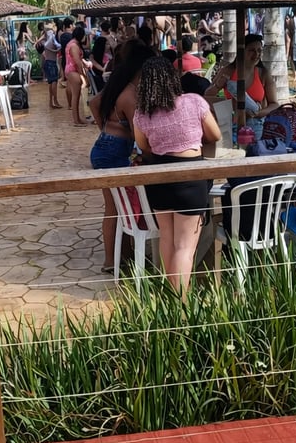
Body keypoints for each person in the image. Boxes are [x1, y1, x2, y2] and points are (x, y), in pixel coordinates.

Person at [133, 56, 222, 292]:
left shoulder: (142, 114)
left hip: (159, 176)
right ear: (173, 79)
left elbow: (144, 146)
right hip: (190, 178)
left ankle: (170, 296)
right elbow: (215, 135)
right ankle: (180, 302)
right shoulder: (194, 101)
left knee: (167, 238)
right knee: (185, 247)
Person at [89, 40, 156, 272]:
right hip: (112, 152)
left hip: (106, 147)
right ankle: (111, 261)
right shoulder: (130, 95)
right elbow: (141, 137)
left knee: (119, 207)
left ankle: (122, 255)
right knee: (114, 208)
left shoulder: (120, 85)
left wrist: (106, 128)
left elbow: (94, 102)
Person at [206, 33, 280, 140]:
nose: (256, 54)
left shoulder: (263, 73)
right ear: (242, 51)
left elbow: (274, 104)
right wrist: (218, 86)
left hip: (256, 123)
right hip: (231, 123)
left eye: (259, 50)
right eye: (252, 50)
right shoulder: (228, 70)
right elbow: (207, 95)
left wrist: (257, 113)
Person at [65, 26, 88, 126]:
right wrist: (83, 75)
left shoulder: (72, 44)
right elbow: (77, 62)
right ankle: (76, 120)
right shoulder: (74, 46)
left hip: (71, 71)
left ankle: (78, 119)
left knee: (77, 96)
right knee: (76, 96)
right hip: (73, 71)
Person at [40, 23, 63, 109]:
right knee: (54, 81)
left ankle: (51, 101)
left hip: (47, 62)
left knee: (50, 82)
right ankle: (55, 101)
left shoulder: (45, 39)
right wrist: (57, 50)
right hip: (52, 62)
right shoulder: (52, 37)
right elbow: (59, 46)